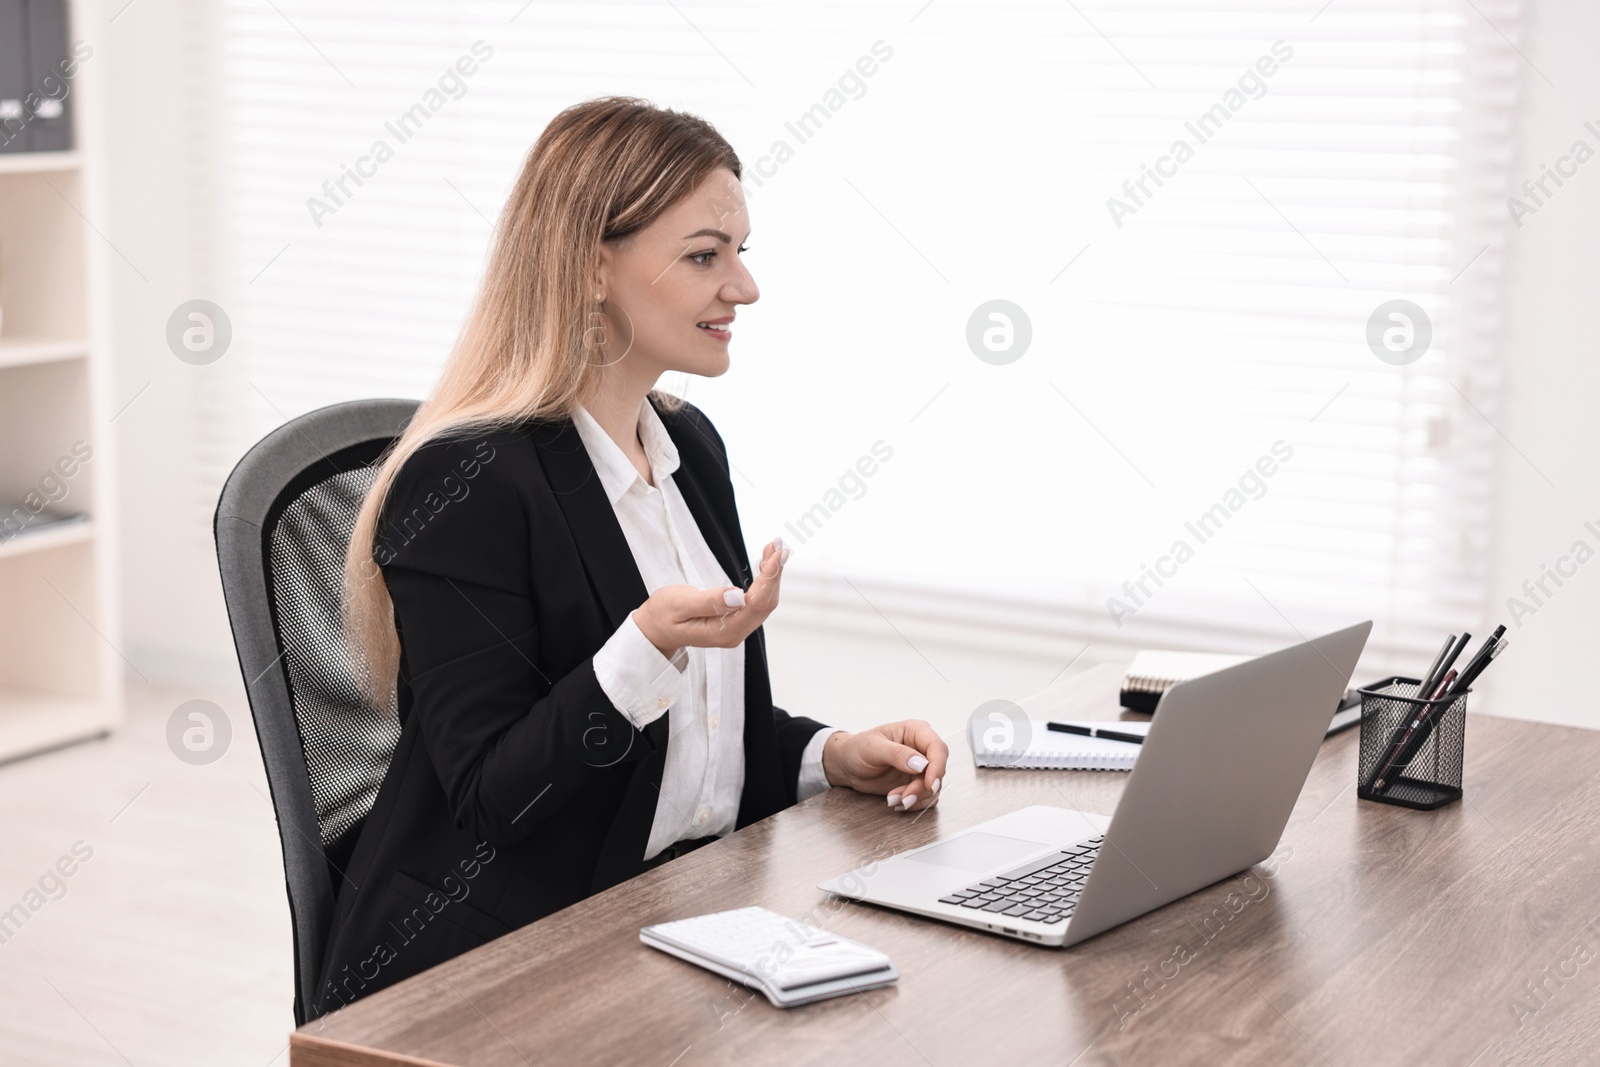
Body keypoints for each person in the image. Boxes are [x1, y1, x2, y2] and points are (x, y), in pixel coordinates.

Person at [316, 96, 948, 1016]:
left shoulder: (691, 454)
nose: (744, 287)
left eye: (741, 252)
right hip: (482, 971)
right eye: (704, 255)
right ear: (589, 269)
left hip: (665, 920)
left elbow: (693, 742)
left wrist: (828, 754)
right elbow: (495, 798)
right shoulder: (468, 484)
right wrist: (641, 648)